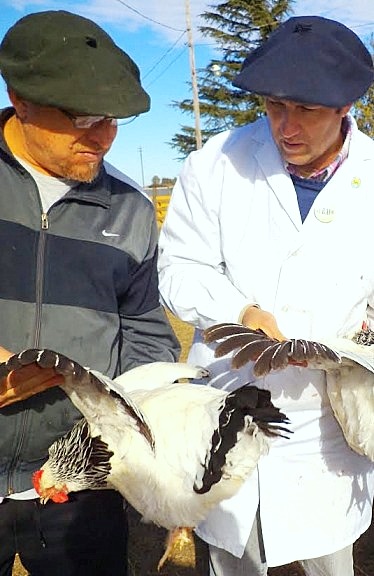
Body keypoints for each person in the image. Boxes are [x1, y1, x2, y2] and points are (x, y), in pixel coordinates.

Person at [158, 14, 374, 576]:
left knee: (330, 556)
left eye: (306, 110)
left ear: (345, 105)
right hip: (232, 398)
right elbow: (179, 267)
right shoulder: (215, 164)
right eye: (275, 106)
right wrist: (238, 312)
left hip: (328, 416)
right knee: (235, 556)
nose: (285, 126)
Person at [0, 9, 180, 576]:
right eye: (82, 117)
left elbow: (147, 332)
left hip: (83, 479)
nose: (102, 136)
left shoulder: (130, 208)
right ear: (19, 98)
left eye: (113, 119)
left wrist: (154, 436)